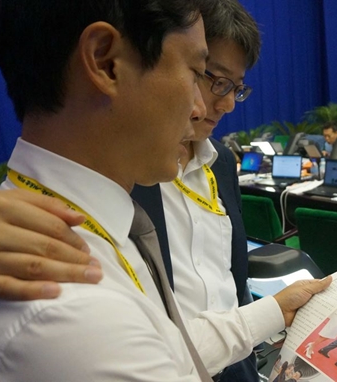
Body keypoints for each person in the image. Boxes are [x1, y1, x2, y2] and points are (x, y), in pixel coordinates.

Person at [0, 1, 331, 380]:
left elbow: (171, 345)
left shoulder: (103, 226)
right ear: (106, 62)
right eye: (197, 73)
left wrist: (275, 309)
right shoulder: (74, 314)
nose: (201, 108)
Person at [128, 1, 261, 379]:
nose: (226, 103)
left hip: (237, 356)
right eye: (215, 80)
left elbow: (232, 278)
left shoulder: (221, 161)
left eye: (236, 88)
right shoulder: (130, 167)